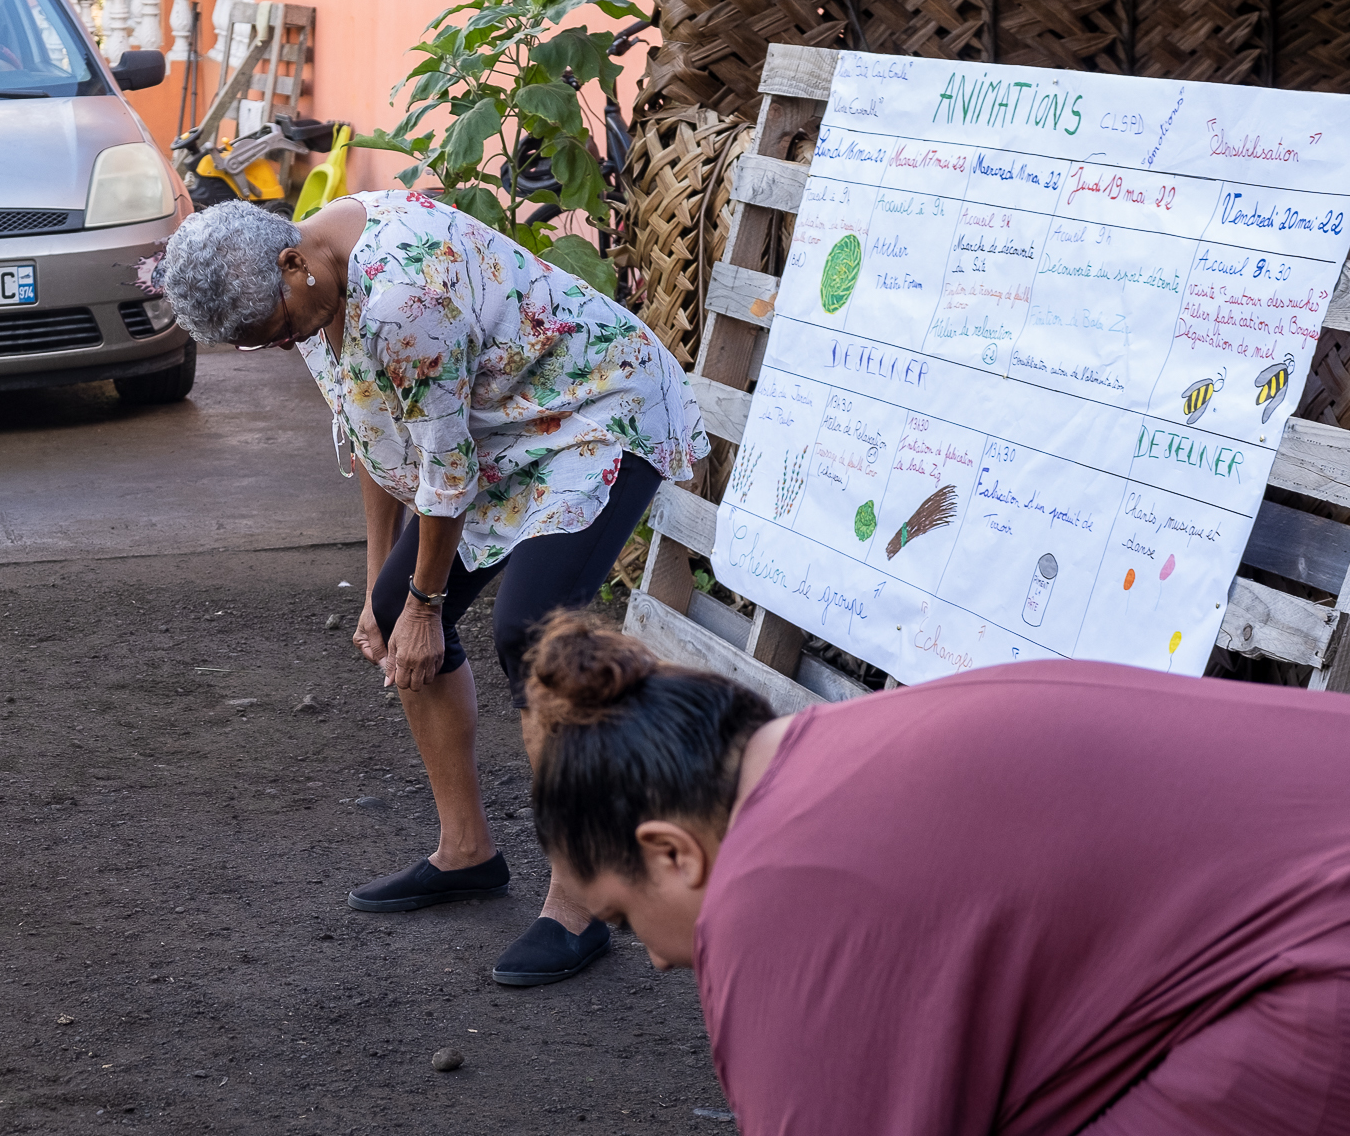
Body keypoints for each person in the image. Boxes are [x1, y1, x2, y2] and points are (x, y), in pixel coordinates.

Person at [157, 191, 709, 984]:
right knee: (399, 610)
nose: (278, 345)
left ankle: (580, 903)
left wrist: (424, 603)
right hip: (498, 433)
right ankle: (467, 852)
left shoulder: (405, 292)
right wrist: (387, 591)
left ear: (292, 261)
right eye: (256, 343)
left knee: (535, 634)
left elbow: (446, 469)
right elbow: (384, 441)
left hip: (594, 411)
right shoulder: (312, 287)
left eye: (274, 329)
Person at [526, 613, 1350, 1135]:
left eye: (626, 918)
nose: (657, 957)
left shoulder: (771, 886)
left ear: (671, 851)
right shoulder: (840, 743)